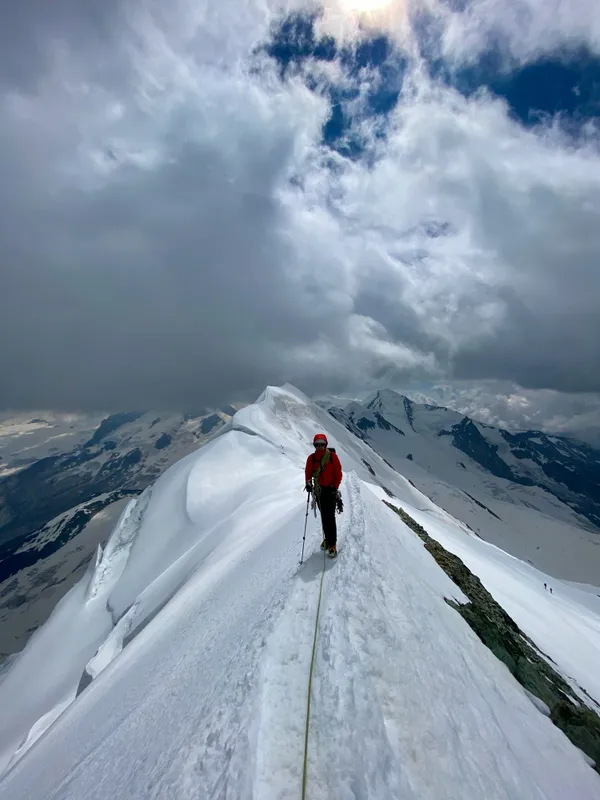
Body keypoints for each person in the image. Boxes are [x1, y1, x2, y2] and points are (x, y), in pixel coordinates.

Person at [305, 433, 343, 558]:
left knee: (329, 518)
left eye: (322, 444)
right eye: (318, 445)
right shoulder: (311, 459)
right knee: (324, 517)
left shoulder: (332, 457)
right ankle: (327, 539)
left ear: (326, 444)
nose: (320, 447)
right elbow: (308, 473)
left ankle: (332, 544)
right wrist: (308, 483)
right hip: (319, 492)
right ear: (315, 445)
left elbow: (338, 474)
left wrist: (335, 487)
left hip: (330, 491)